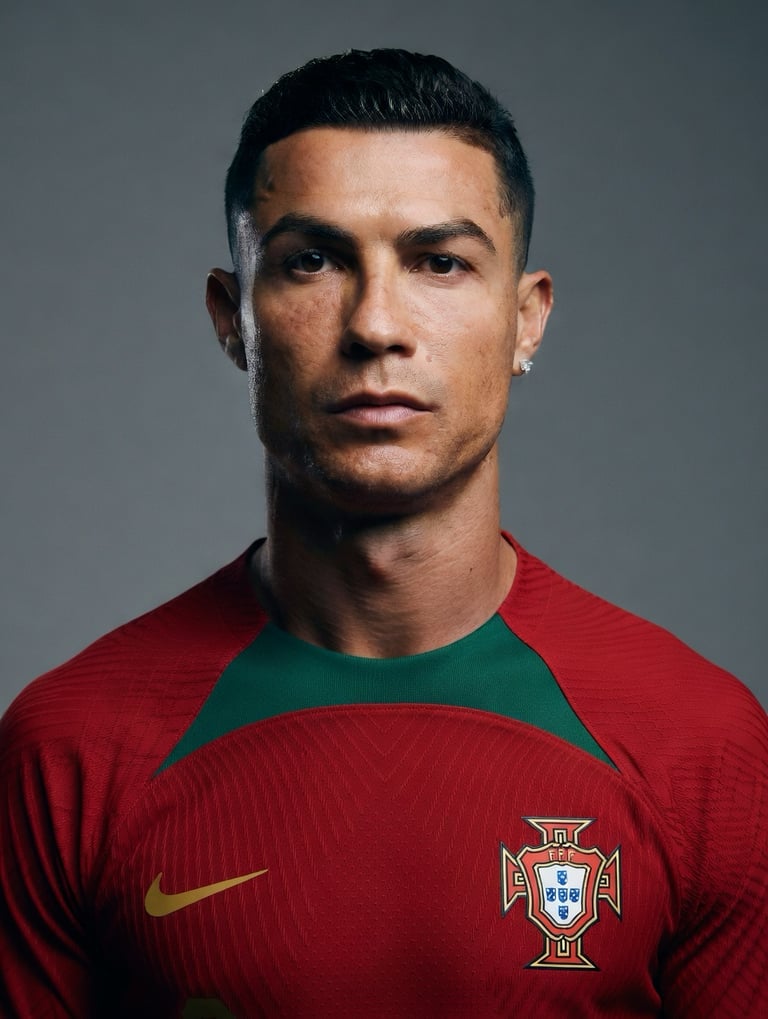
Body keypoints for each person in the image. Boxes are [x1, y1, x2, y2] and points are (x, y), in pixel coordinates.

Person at [1, 48, 765, 1019]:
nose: (376, 324)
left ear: (526, 320)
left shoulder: (704, 746)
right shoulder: (71, 750)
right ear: (232, 317)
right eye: (311, 260)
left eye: (439, 261)